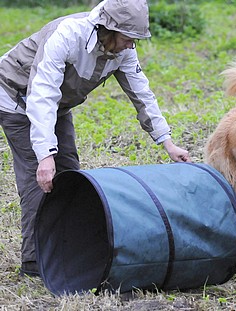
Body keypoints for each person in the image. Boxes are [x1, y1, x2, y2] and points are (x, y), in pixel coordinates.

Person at [0, 0, 191, 276]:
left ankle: (69, 247)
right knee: (38, 179)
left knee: (69, 172)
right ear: (108, 29)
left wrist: (168, 143)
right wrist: (44, 155)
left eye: (136, 40)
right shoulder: (67, 35)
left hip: (57, 105)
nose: (131, 45)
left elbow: (142, 96)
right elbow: (41, 95)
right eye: (127, 38)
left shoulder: (123, 50)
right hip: (16, 99)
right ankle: (35, 261)